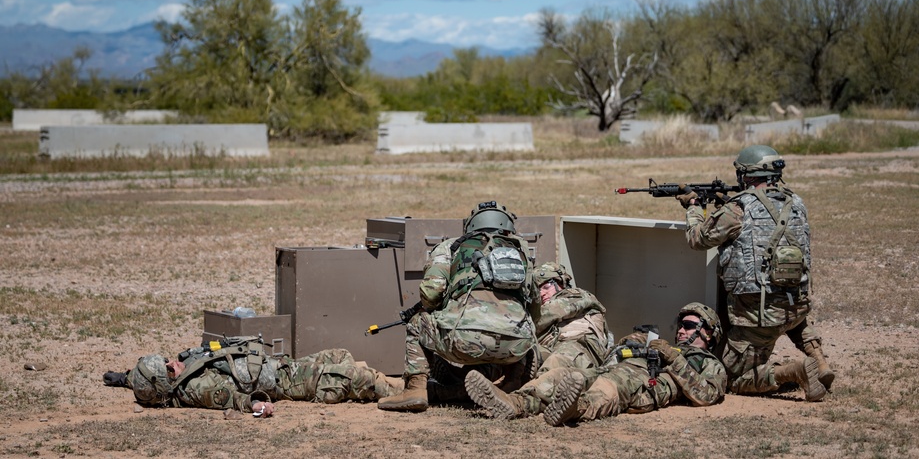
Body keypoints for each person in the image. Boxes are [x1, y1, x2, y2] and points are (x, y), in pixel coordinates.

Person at [681, 144, 834, 402]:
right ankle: (820, 363)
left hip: (757, 317)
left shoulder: (737, 208)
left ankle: (794, 372)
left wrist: (694, 208)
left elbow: (698, 239)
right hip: (795, 307)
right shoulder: (797, 203)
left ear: (748, 175)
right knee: (790, 315)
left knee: (728, 379)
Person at [377, 201, 540, 413]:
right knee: (523, 326)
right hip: (515, 348)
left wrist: (440, 308)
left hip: (463, 342)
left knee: (417, 323)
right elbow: (534, 305)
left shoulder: (451, 246)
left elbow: (431, 292)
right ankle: (511, 384)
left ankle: (415, 389)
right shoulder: (521, 250)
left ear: (470, 225)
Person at [464, 261, 612, 419]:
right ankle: (451, 385)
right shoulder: (539, 311)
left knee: (555, 363)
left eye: (546, 286)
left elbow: (544, 316)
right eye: (537, 290)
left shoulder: (577, 295)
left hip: (578, 346)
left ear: (560, 282)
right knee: (513, 355)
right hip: (550, 346)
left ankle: (517, 402)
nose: (541, 293)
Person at [105, 339, 402, 416]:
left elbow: (143, 379)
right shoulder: (199, 389)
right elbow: (231, 398)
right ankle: (420, 391)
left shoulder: (166, 378)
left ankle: (379, 381)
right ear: (165, 385)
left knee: (339, 354)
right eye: (168, 368)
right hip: (288, 383)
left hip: (281, 366)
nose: (173, 362)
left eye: (167, 359)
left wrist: (124, 378)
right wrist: (256, 405)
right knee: (349, 376)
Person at [542, 302, 727, 426]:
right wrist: (634, 342)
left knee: (610, 386)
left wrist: (674, 359)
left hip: (641, 383)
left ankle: (578, 408)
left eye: (688, 326)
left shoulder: (710, 363)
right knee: (565, 376)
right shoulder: (666, 346)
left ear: (709, 333)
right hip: (615, 368)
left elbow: (707, 395)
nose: (680, 330)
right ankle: (518, 402)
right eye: (680, 325)